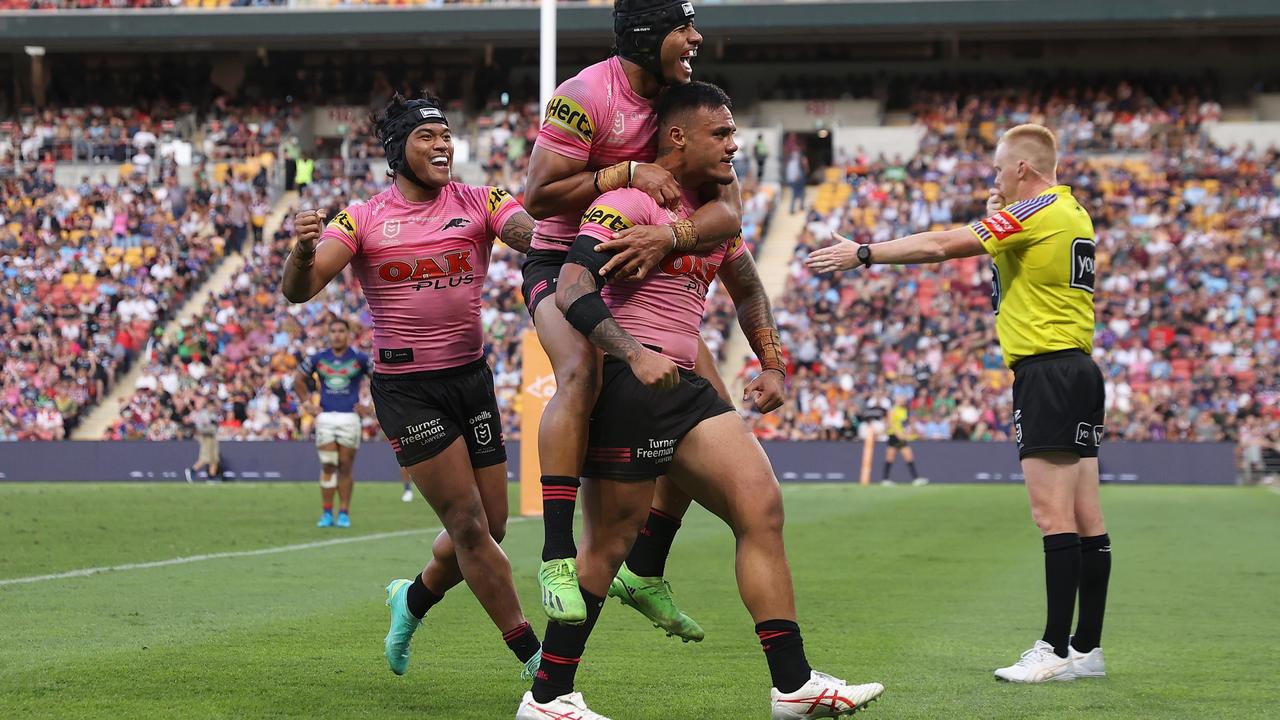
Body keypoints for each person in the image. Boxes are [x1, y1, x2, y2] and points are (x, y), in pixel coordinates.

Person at [518, 81, 883, 720]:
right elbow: (572, 288)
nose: (734, 144)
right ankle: (548, 698)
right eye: (721, 133)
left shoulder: (709, 215)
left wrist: (772, 363)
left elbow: (747, 287)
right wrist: (632, 353)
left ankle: (793, 686)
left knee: (760, 506)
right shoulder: (629, 200)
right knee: (606, 546)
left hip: (681, 387)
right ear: (679, 136)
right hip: (631, 381)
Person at [807, 123, 1111, 683]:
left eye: (999, 169)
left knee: (1052, 516)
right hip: (1079, 370)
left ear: (1023, 168)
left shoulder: (1037, 210)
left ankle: (1053, 649)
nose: (995, 178)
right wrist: (999, 210)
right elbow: (1018, 270)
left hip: (1046, 372)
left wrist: (864, 253)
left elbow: (943, 245)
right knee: (1087, 516)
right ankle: (1085, 647)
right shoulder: (1071, 212)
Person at [281, 93, 543, 693]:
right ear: (399, 150)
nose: (443, 145)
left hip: (471, 379)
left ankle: (413, 600)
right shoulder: (363, 217)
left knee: (491, 526)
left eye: (446, 134)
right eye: (427, 136)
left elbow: (524, 231)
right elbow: (301, 289)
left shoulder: (481, 200)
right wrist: (300, 250)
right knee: (470, 527)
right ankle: (538, 662)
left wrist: (561, 232)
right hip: (408, 389)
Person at [522, 0, 743, 639]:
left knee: (705, 408)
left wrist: (670, 236)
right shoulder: (584, 94)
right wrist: (623, 171)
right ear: (648, 37)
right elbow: (537, 196)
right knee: (579, 372)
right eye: (683, 28)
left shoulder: (694, 107)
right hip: (566, 261)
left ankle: (645, 567)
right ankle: (557, 557)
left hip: (640, 265)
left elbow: (729, 213)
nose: (696, 38)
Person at [294, 316, 373, 529]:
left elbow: (381, 379)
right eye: (333, 331)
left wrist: (370, 406)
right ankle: (327, 512)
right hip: (326, 416)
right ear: (328, 334)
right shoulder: (318, 358)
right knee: (328, 465)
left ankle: (344, 512)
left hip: (350, 417)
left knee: (345, 467)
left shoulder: (360, 358)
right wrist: (307, 404)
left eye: (341, 331)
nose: (337, 334)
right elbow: (298, 379)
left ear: (348, 334)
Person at [881, 401, 927, 486]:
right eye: (900, 397)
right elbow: (890, 422)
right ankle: (885, 479)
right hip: (894, 436)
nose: (903, 399)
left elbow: (906, 423)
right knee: (890, 457)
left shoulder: (904, 410)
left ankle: (915, 478)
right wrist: (897, 433)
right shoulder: (893, 410)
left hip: (901, 436)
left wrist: (910, 432)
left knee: (908, 455)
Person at [185, 396, 221, 482]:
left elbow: (215, 426)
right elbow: (199, 428)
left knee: (214, 458)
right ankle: (192, 470)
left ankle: (212, 477)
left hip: (213, 437)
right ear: (208, 405)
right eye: (211, 405)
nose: (212, 407)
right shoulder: (202, 414)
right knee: (205, 457)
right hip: (206, 437)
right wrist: (209, 428)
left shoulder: (213, 415)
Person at [784, 147, 808, 214]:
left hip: (797, 181)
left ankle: (799, 207)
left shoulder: (793, 162)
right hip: (796, 181)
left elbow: (805, 171)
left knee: (800, 194)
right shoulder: (794, 163)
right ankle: (794, 208)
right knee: (796, 195)